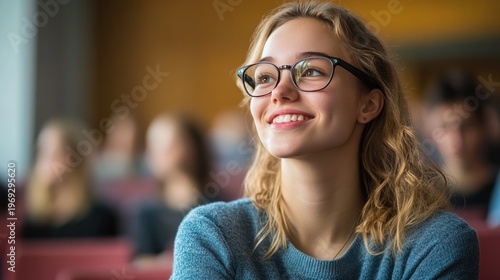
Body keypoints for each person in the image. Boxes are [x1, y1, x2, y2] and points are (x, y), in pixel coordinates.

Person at [171, 2, 479, 279]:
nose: (279, 91)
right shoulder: (213, 236)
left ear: (368, 104)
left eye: (311, 71)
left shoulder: (434, 243)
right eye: (265, 77)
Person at [132, 113, 211, 269]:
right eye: (151, 145)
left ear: (191, 147)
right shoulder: (146, 212)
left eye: (164, 144)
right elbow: (139, 264)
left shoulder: (216, 206)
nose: (154, 153)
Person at [21, 119, 119, 239]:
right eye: (41, 152)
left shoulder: (102, 219)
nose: (45, 161)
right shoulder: (32, 221)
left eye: (54, 152)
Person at [423, 70, 498, 218]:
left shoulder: (497, 187)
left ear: (482, 126)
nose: (456, 140)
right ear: (430, 130)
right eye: (444, 127)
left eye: (466, 126)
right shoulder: (422, 192)